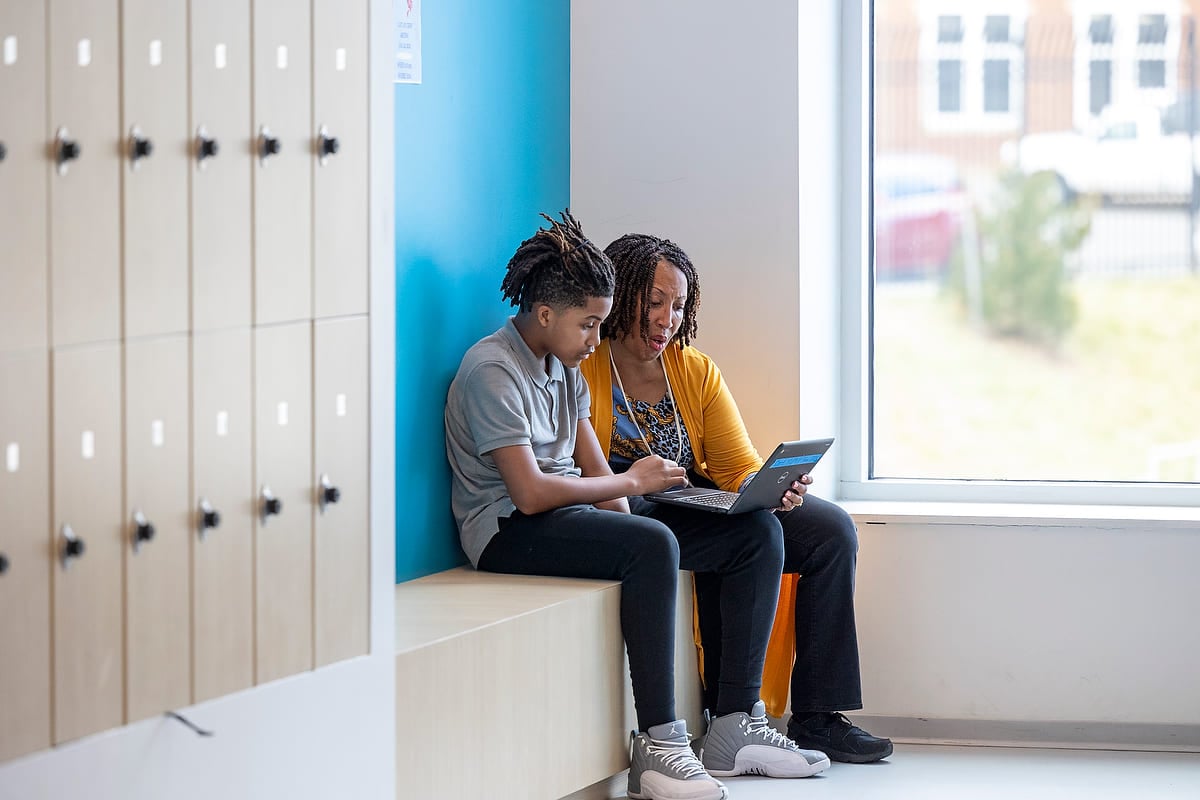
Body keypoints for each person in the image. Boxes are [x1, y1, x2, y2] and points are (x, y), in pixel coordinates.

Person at [445, 211, 828, 800]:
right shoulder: (491, 369)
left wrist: (629, 513)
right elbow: (529, 493)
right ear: (545, 314)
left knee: (753, 534)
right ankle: (658, 744)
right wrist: (633, 495)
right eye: (588, 325)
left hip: (566, 515)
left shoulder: (563, 364)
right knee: (653, 542)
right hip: (505, 529)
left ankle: (732, 725)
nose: (596, 341)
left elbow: (593, 469)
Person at [579, 232, 894, 765]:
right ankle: (733, 715)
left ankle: (818, 717)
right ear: (621, 292)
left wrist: (771, 490)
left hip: (694, 498)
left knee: (829, 531)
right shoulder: (585, 366)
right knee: (751, 534)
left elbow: (735, 467)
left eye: (678, 306)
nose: (667, 318)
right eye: (654, 301)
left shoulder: (694, 370)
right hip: (630, 503)